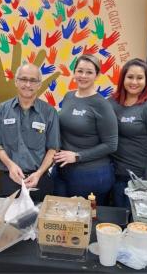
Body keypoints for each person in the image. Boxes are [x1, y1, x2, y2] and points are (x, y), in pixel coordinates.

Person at [0, 63, 60, 202]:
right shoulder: (3, 109)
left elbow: (53, 148)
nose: (28, 84)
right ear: (16, 81)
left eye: (33, 80)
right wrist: (10, 165)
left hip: (39, 180)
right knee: (7, 220)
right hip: (9, 177)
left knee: (38, 219)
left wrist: (39, 174)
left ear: (39, 84)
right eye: (23, 79)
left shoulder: (49, 112)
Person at [53, 54, 118, 206]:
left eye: (89, 72)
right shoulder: (69, 96)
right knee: (63, 219)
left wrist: (77, 156)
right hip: (63, 171)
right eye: (80, 71)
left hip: (91, 175)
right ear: (74, 72)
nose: (83, 76)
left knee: (86, 222)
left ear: (97, 75)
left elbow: (111, 144)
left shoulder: (101, 105)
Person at [109, 58, 147, 208]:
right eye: (130, 77)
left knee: (141, 225)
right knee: (121, 221)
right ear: (123, 78)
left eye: (139, 78)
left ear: (146, 81)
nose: (134, 82)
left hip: (144, 177)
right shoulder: (112, 103)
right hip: (119, 176)